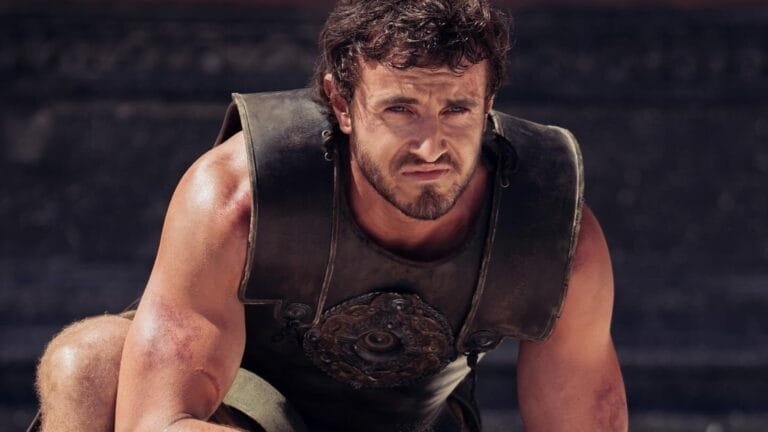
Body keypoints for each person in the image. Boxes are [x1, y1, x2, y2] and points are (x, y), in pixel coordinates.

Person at [32, 1, 628, 431]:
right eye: (400, 110)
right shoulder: (238, 196)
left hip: (413, 421)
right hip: (242, 406)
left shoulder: (554, 234)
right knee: (87, 362)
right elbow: (159, 422)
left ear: (488, 105)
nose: (431, 147)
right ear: (342, 104)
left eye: (456, 110)